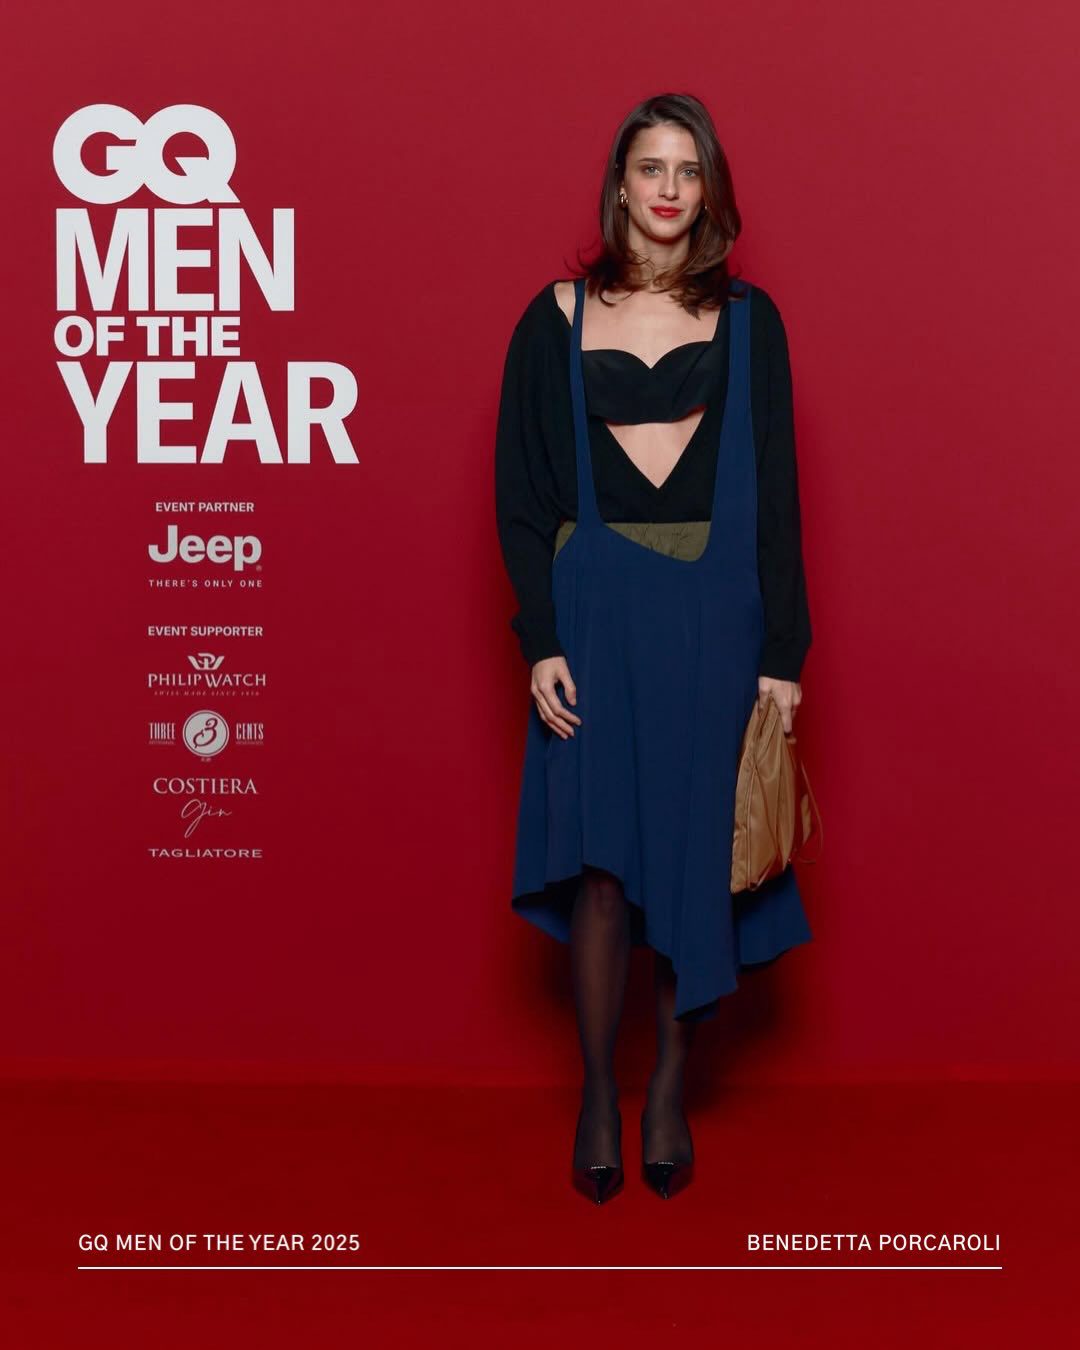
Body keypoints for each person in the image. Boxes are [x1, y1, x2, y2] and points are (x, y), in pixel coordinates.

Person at [494, 93, 814, 1204]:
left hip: (718, 621)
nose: (669, 189)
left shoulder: (752, 322)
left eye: (688, 170)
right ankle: (598, 1094)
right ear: (620, 184)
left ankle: (669, 1088)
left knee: (695, 859)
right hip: (594, 618)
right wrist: (539, 639)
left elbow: (778, 496)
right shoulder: (555, 316)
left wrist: (785, 654)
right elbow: (521, 496)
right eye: (651, 168)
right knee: (600, 866)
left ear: (707, 189)